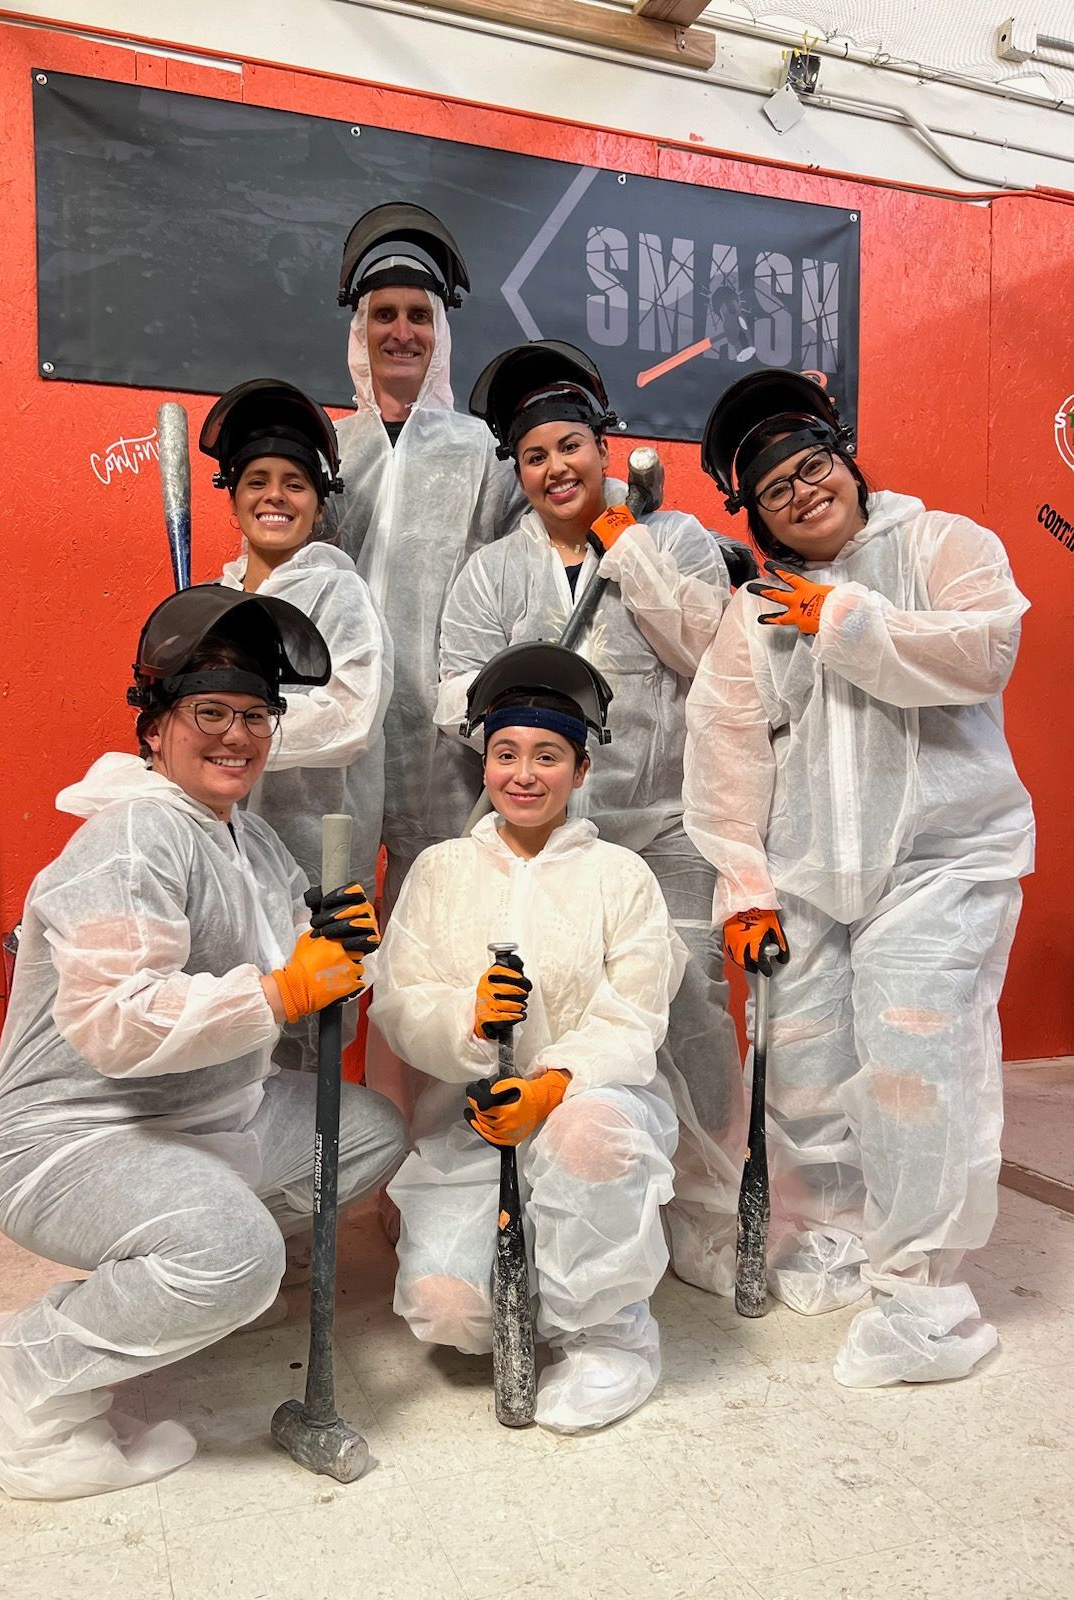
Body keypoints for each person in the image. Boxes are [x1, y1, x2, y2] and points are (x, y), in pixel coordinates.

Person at [0, 586, 406, 1498]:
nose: (237, 735)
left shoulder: (251, 843)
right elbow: (116, 1020)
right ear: (154, 729)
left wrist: (343, 955)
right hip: (74, 1139)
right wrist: (279, 988)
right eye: (210, 713)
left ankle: (193, 1276)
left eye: (256, 715)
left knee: (368, 1135)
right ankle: (23, 1384)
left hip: (201, 1112)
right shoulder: (133, 839)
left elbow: (306, 1001)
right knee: (235, 1252)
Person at [685, 368, 1035, 1386]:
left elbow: (987, 648)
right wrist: (744, 888)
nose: (802, 491)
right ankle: (838, 1234)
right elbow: (727, 750)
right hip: (807, 873)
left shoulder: (941, 546)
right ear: (755, 514)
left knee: (913, 1065)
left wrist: (842, 622)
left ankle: (931, 1296)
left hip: (941, 860)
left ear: (844, 457)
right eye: (776, 488)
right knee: (803, 1064)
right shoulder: (756, 610)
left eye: (812, 465)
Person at [436, 340, 744, 1298]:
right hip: (558, 840)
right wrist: (522, 702)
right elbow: (450, 690)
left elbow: (713, 652)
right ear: (517, 472)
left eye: (570, 446)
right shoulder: (491, 573)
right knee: (567, 1016)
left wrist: (633, 549)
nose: (555, 468)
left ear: (603, 448)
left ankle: (704, 1205)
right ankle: (576, 1193)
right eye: (534, 456)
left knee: (690, 1006)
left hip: (670, 828)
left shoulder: (679, 538)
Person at [371, 643, 683, 1433]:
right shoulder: (441, 870)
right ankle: (542, 1274)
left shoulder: (620, 877)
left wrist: (552, 1084)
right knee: (451, 1315)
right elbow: (400, 1001)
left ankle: (611, 1336)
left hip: (591, 1108)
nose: (523, 773)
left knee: (584, 1137)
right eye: (506, 753)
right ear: (484, 764)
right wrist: (468, 1023)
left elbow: (637, 1014)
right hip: (473, 1131)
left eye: (548, 756)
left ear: (581, 772)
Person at [326, 202, 524, 902]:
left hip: (445, 740)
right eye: (385, 315)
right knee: (326, 929)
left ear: (441, 332)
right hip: (338, 728)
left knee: (433, 935)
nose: (402, 332)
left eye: (419, 315)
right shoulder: (329, 451)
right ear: (361, 330)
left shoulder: (483, 452)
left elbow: (539, 543)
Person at [203, 379, 392, 1072]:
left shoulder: (340, 594)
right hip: (226, 860)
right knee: (233, 1021)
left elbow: (350, 718)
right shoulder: (213, 601)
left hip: (315, 861)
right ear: (231, 495)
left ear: (318, 501)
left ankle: (304, 1177)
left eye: (294, 483)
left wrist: (236, 732)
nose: (274, 496)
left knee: (306, 1038)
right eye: (256, 480)